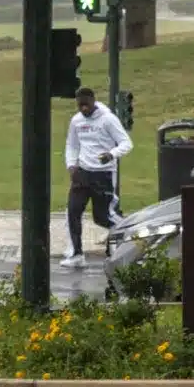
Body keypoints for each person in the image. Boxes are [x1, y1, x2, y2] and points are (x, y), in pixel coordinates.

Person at [61, 87, 133, 269]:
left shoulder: (108, 119)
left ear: (93, 101)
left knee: (102, 217)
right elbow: (72, 144)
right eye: (80, 105)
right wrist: (71, 165)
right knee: (72, 211)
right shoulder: (76, 121)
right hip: (82, 172)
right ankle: (76, 254)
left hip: (104, 173)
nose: (84, 109)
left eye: (86, 104)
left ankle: (131, 233)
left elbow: (126, 143)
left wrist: (112, 154)